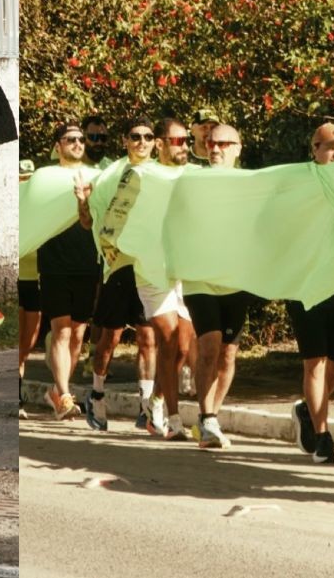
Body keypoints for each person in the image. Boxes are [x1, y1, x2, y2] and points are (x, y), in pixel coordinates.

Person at [77, 120, 159, 432]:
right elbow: (88, 222)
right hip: (117, 266)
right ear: (125, 140)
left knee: (148, 336)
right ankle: (96, 395)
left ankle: (147, 405)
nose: (142, 142)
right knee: (109, 338)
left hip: (149, 267)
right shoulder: (109, 174)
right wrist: (82, 201)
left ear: (154, 142)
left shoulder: (161, 173)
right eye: (135, 136)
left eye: (148, 137)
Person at [184, 123, 255, 448]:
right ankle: (207, 417)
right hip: (200, 278)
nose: (216, 149)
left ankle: (211, 414)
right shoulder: (192, 180)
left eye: (225, 144)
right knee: (209, 345)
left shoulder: (252, 184)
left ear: (239, 148)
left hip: (235, 279)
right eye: (211, 143)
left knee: (228, 354)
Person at [289, 123, 334, 464]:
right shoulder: (299, 183)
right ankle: (323, 436)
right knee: (314, 362)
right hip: (305, 286)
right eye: (331, 147)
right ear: (314, 149)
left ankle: (307, 408)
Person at [138, 118, 198, 439]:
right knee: (170, 336)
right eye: (177, 141)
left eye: (187, 140)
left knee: (182, 347)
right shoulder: (141, 174)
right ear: (159, 144)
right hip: (150, 268)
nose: (185, 146)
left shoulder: (192, 175)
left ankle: (157, 400)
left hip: (183, 269)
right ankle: (173, 420)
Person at [37, 125, 102, 420]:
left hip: (87, 264)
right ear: (58, 145)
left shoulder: (97, 177)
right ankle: (64, 395)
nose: (77, 143)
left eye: (80, 139)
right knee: (61, 330)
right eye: (70, 140)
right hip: (54, 265)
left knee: (77, 334)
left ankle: (57, 390)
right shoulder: (46, 178)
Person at [17, 160, 44, 420]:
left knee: (28, 343)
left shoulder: (39, 211)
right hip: (18, 278)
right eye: (20, 178)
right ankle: (17, 399)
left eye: (28, 179)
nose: (24, 183)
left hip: (35, 280)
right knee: (17, 341)